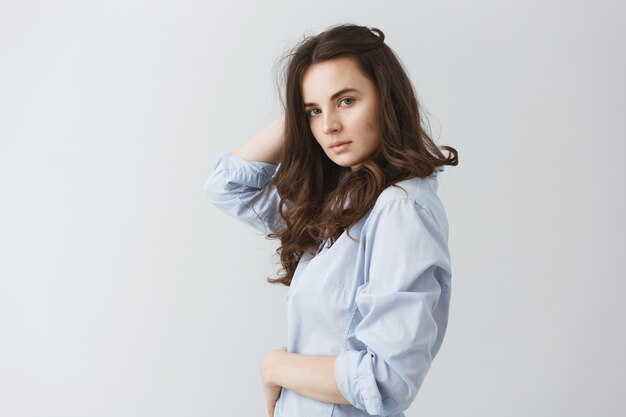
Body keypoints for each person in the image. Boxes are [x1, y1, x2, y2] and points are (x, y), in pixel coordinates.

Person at [203, 23, 458, 417]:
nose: (328, 127)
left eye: (347, 101)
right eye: (314, 111)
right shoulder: (342, 202)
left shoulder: (400, 209)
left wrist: (277, 366)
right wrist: (300, 112)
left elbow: (386, 379)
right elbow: (227, 187)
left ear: (386, 98)